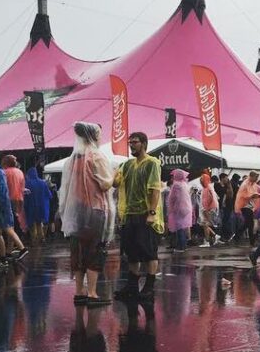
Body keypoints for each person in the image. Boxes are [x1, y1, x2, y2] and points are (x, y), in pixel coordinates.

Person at [58, 122, 115, 306]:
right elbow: (106, 184)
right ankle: (92, 293)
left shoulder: (71, 160)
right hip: (95, 210)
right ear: (93, 136)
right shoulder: (97, 157)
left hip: (76, 212)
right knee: (95, 249)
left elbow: (64, 189)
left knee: (78, 250)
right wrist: (115, 176)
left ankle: (79, 292)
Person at [113, 131, 164, 302]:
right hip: (130, 213)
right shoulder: (127, 164)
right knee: (131, 251)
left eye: (135, 142)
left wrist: (151, 213)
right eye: (130, 142)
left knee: (149, 251)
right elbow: (115, 183)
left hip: (145, 213)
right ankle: (132, 286)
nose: (131, 145)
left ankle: (149, 287)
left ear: (143, 143)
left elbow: (155, 189)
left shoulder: (152, 163)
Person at [234, 171, 260, 244]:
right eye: (256, 177)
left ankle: (237, 236)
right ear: (251, 176)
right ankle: (252, 241)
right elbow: (245, 195)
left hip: (250, 206)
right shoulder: (245, 184)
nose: (257, 179)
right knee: (250, 223)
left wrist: (257, 195)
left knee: (247, 223)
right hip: (244, 205)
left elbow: (253, 193)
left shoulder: (253, 184)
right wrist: (255, 195)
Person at [167, 169, 193, 253]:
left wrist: (171, 208)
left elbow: (173, 198)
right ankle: (183, 245)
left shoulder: (176, 185)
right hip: (186, 208)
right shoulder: (185, 184)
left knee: (179, 228)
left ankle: (180, 247)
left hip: (179, 208)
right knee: (182, 227)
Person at [24, 165, 51, 244]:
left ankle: (34, 239)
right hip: (41, 207)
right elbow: (49, 195)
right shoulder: (43, 183)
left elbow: (25, 195)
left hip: (31, 206)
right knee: (39, 223)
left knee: (32, 224)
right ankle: (42, 238)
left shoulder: (27, 183)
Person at [3, 154, 27, 235]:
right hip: (19, 198)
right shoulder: (20, 172)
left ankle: (12, 240)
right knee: (18, 217)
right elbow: (22, 186)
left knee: (9, 221)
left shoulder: (4, 172)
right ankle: (19, 235)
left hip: (8, 199)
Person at [199, 171, 221, 247]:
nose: (201, 180)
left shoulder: (208, 188)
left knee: (205, 224)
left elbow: (213, 199)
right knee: (204, 224)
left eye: (202, 179)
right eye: (200, 179)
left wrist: (208, 209)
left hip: (209, 209)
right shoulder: (206, 187)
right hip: (207, 209)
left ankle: (207, 242)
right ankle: (215, 235)